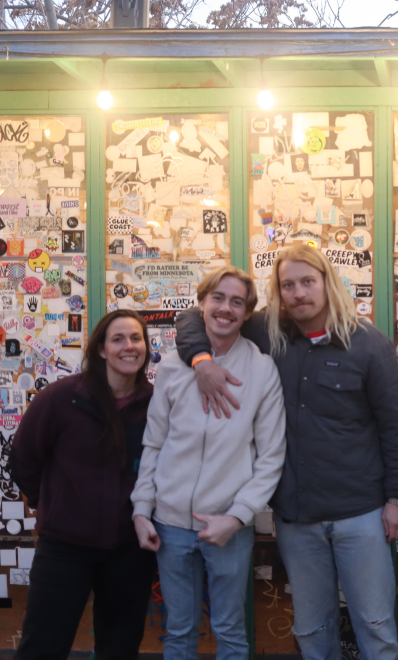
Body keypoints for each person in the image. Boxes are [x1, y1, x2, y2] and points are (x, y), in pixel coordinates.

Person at [174, 246, 398, 660]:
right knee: (311, 629)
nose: (299, 293)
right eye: (288, 285)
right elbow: (193, 317)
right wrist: (201, 359)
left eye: (307, 282)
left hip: (360, 514)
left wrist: (396, 499)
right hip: (297, 519)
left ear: (326, 282)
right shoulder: (268, 331)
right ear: (279, 291)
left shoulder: (368, 343)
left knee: (376, 627)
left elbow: (396, 425)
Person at [131, 266, 286, 660]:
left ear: (247, 313)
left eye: (237, 302)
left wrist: (237, 516)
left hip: (229, 525)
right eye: (217, 298)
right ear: (201, 303)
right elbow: (154, 444)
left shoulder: (262, 370)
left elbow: (271, 456)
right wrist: (142, 510)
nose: (225, 308)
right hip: (170, 525)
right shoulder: (172, 367)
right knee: (179, 631)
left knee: (230, 631)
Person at [10, 309, 157, 660]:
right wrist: (53, 504)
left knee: (120, 649)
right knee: (42, 647)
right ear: (102, 350)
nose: (129, 346)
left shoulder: (156, 404)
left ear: (146, 348)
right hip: (65, 546)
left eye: (136, 338)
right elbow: (24, 457)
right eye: (118, 339)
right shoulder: (61, 398)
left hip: (129, 548)